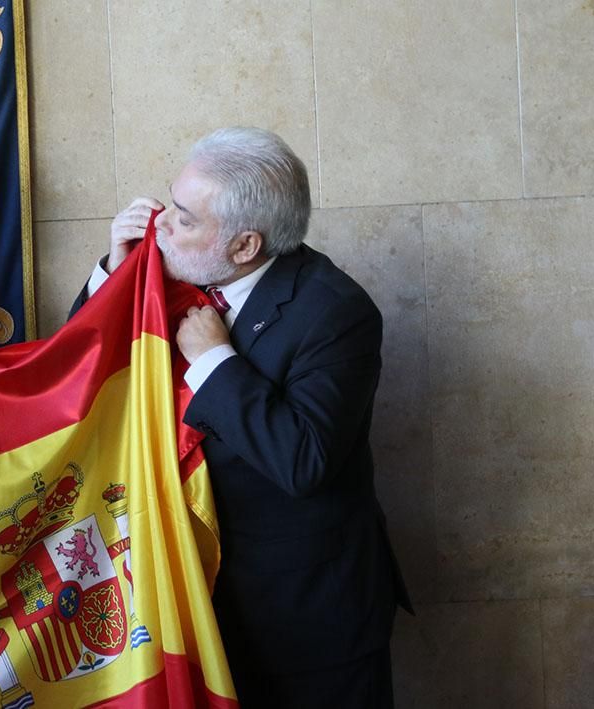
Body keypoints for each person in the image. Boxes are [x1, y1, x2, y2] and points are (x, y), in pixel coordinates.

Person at [73, 127, 412, 707]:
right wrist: (116, 269)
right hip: (197, 609)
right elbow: (83, 374)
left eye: (183, 218)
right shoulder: (182, 267)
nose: (159, 226)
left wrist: (215, 363)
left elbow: (304, 462)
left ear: (244, 246)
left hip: (309, 622)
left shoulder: (337, 313)